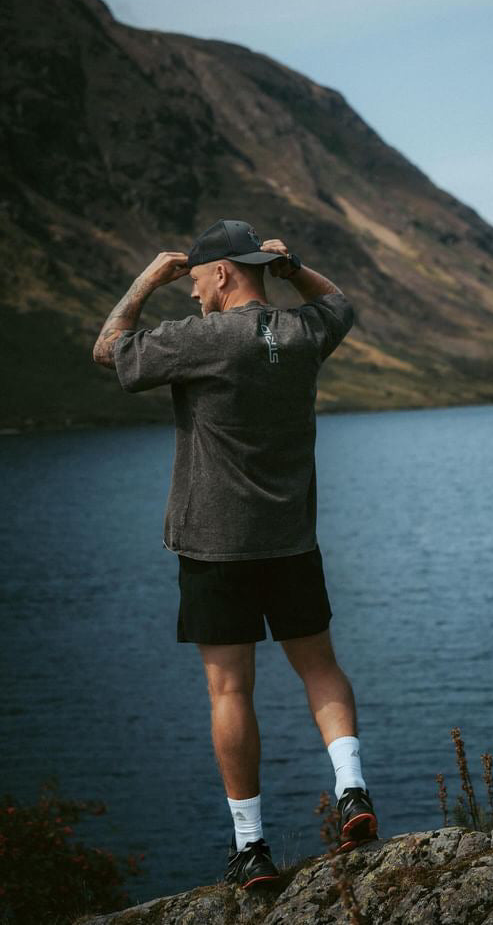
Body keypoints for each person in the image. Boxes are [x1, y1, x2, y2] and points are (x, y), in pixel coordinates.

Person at [92, 219, 378, 890]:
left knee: (229, 688)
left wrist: (146, 279)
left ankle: (252, 847)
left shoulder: (199, 341)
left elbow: (107, 349)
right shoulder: (305, 333)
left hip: (215, 547)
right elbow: (342, 304)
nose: (191, 295)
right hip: (291, 540)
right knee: (321, 668)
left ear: (222, 273)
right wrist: (293, 266)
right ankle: (353, 790)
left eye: (194, 282)